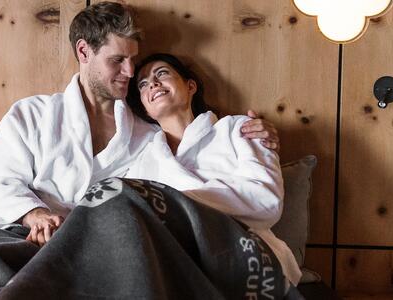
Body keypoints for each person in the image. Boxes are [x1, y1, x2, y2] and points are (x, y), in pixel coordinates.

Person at [0, 1, 280, 246]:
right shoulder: (32, 115)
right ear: (84, 51)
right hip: (25, 234)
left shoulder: (148, 136)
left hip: (100, 246)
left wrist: (263, 137)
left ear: (191, 85)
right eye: (118, 60)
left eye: (133, 60)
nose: (131, 72)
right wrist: (35, 214)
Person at [123, 53, 302, 286]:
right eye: (143, 84)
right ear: (146, 109)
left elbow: (266, 201)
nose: (153, 84)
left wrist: (172, 205)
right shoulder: (142, 164)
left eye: (162, 73)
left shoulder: (239, 129)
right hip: (171, 265)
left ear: (190, 86)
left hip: (243, 253)